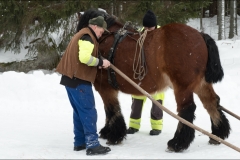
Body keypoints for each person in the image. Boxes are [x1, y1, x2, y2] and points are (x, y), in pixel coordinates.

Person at [56, 16, 111, 156]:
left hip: (70, 80)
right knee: (88, 112)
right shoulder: (88, 37)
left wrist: (99, 60)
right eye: (101, 30)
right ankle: (93, 145)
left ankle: (80, 142)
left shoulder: (82, 34)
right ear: (94, 27)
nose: (101, 34)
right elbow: (84, 58)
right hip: (79, 80)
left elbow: (82, 57)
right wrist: (100, 63)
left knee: (79, 112)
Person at [127, 10, 165, 136]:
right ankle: (133, 125)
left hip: (157, 75)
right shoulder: (139, 33)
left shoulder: (162, 35)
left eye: (150, 27)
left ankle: (156, 127)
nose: (148, 29)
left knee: (157, 101)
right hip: (141, 74)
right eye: (146, 27)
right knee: (137, 100)